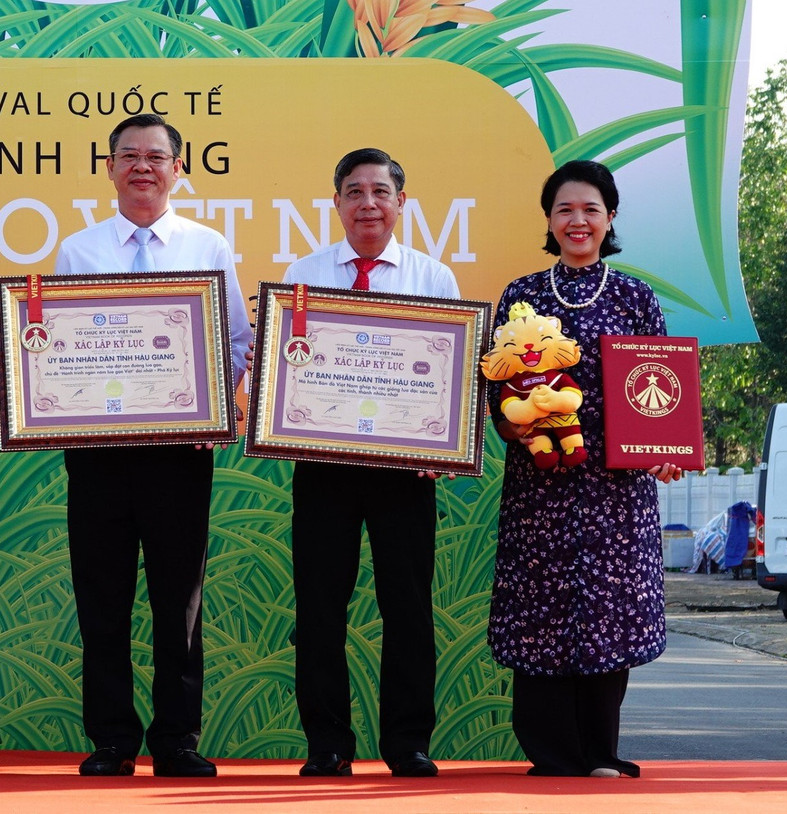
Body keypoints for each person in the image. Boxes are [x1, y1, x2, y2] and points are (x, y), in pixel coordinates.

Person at [54, 113, 251, 778]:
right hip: (99, 454)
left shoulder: (208, 246)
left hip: (179, 454)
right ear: (109, 169)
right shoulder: (79, 252)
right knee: (102, 599)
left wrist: (213, 406)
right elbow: (58, 342)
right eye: (129, 156)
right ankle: (112, 739)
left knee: (180, 602)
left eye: (156, 156)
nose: (143, 166)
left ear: (179, 170)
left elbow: (236, 343)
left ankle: (177, 739)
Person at [487, 159, 682, 778]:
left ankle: (600, 751)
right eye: (565, 209)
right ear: (549, 219)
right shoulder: (520, 296)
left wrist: (666, 450)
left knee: (606, 614)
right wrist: (512, 424)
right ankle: (551, 755)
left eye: (590, 210)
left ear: (610, 219)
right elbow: (498, 394)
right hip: (539, 487)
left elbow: (663, 388)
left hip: (617, 490)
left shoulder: (634, 297)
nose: (578, 220)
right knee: (540, 613)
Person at [281, 147, 457, 779]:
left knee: (407, 609)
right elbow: (287, 372)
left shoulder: (433, 279)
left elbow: (451, 379)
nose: (367, 203)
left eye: (380, 192)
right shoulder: (302, 275)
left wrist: (444, 442)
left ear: (401, 204)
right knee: (320, 610)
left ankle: (407, 743)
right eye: (353, 192)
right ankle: (327, 744)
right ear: (336, 204)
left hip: (405, 474)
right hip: (323, 469)